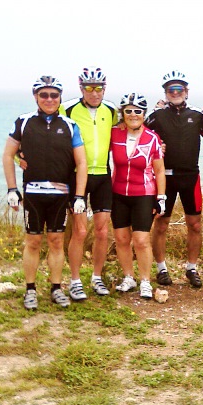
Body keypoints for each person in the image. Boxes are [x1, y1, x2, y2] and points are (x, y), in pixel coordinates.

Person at [2, 75, 87, 309]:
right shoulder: (23, 122)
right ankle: (30, 289)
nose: (49, 99)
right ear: (36, 97)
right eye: (44, 95)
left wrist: (79, 196)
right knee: (33, 241)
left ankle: (56, 288)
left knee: (57, 241)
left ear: (60, 97)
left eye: (54, 95)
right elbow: (8, 155)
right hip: (33, 193)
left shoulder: (70, 125)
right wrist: (12, 189)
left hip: (60, 194)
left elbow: (82, 162)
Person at [145, 70, 203, 288]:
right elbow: (138, 137)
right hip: (165, 177)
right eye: (171, 89)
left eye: (179, 89)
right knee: (161, 224)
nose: (175, 93)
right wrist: (155, 147)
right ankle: (161, 269)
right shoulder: (156, 116)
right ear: (165, 92)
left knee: (195, 224)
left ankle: (192, 268)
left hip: (190, 176)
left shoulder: (197, 116)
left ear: (186, 91)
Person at [62, 67, 118, 300]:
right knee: (80, 231)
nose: (94, 93)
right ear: (81, 88)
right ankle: (75, 281)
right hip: (76, 175)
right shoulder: (67, 109)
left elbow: (132, 125)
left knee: (103, 232)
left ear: (104, 88)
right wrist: (22, 155)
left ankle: (96, 277)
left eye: (99, 88)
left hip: (103, 174)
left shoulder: (111, 111)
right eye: (89, 88)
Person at [110, 93, 166, 299]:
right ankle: (129, 277)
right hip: (118, 194)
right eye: (129, 111)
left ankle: (145, 281)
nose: (133, 115)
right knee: (121, 238)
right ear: (122, 113)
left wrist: (161, 198)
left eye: (138, 111)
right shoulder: (114, 134)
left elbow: (159, 170)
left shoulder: (152, 138)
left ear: (144, 114)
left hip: (143, 194)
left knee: (141, 240)